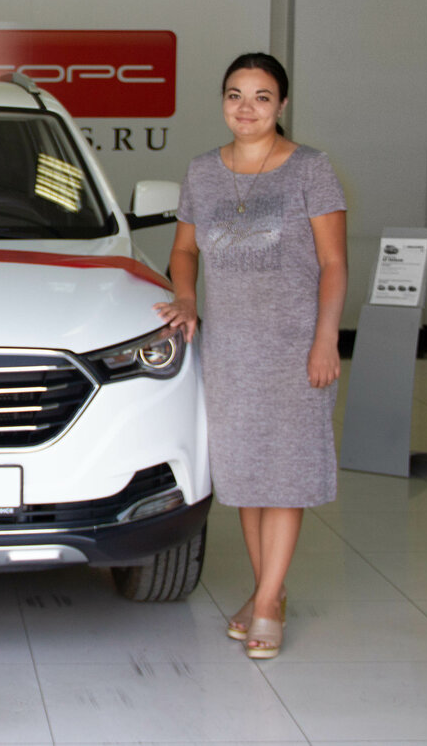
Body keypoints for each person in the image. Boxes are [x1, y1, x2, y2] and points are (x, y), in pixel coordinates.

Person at [155, 52, 347, 659]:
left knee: (285, 478)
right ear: (223, 102)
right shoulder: (203, 171)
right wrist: (186, 297)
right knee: (244, 477)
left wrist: (326, 339)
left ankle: (265, 604)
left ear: (281, 105)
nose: (246, 108)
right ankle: (269, 593)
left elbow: (334, 264)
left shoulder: (311, 169)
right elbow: (184, 250)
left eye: (262, 97)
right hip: (231, 350)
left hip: (295, 347)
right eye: (235, 95)